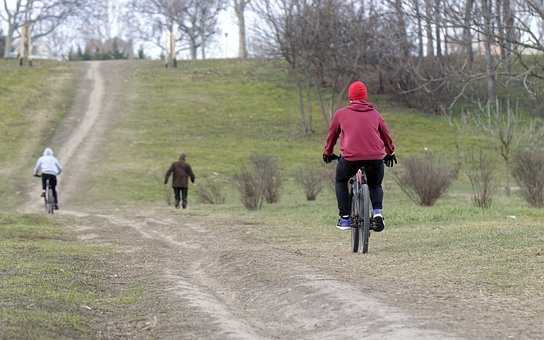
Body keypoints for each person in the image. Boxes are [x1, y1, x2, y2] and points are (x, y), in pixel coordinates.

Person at [323, 81, 397, 231]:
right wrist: (390, 152)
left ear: (350, 97)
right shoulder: (375, 114)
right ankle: (377, 213)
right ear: (365, 97)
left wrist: (328, 153)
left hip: (350, 158)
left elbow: (332, 136)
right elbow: (386, 135)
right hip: (375, 158)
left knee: (341, 180)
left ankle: (344, 218)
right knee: (375, 184)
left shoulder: (341, 114)